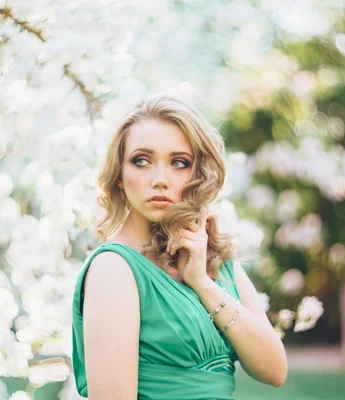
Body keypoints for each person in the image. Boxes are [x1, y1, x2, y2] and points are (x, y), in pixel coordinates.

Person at [72, 95, 287, 399]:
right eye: (141, 161)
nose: (160, 179)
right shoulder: (114, 268)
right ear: (120, 175)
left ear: (197, 174)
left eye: (179, 163)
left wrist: (202, 284)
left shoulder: (213, 259)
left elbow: (275, 370)